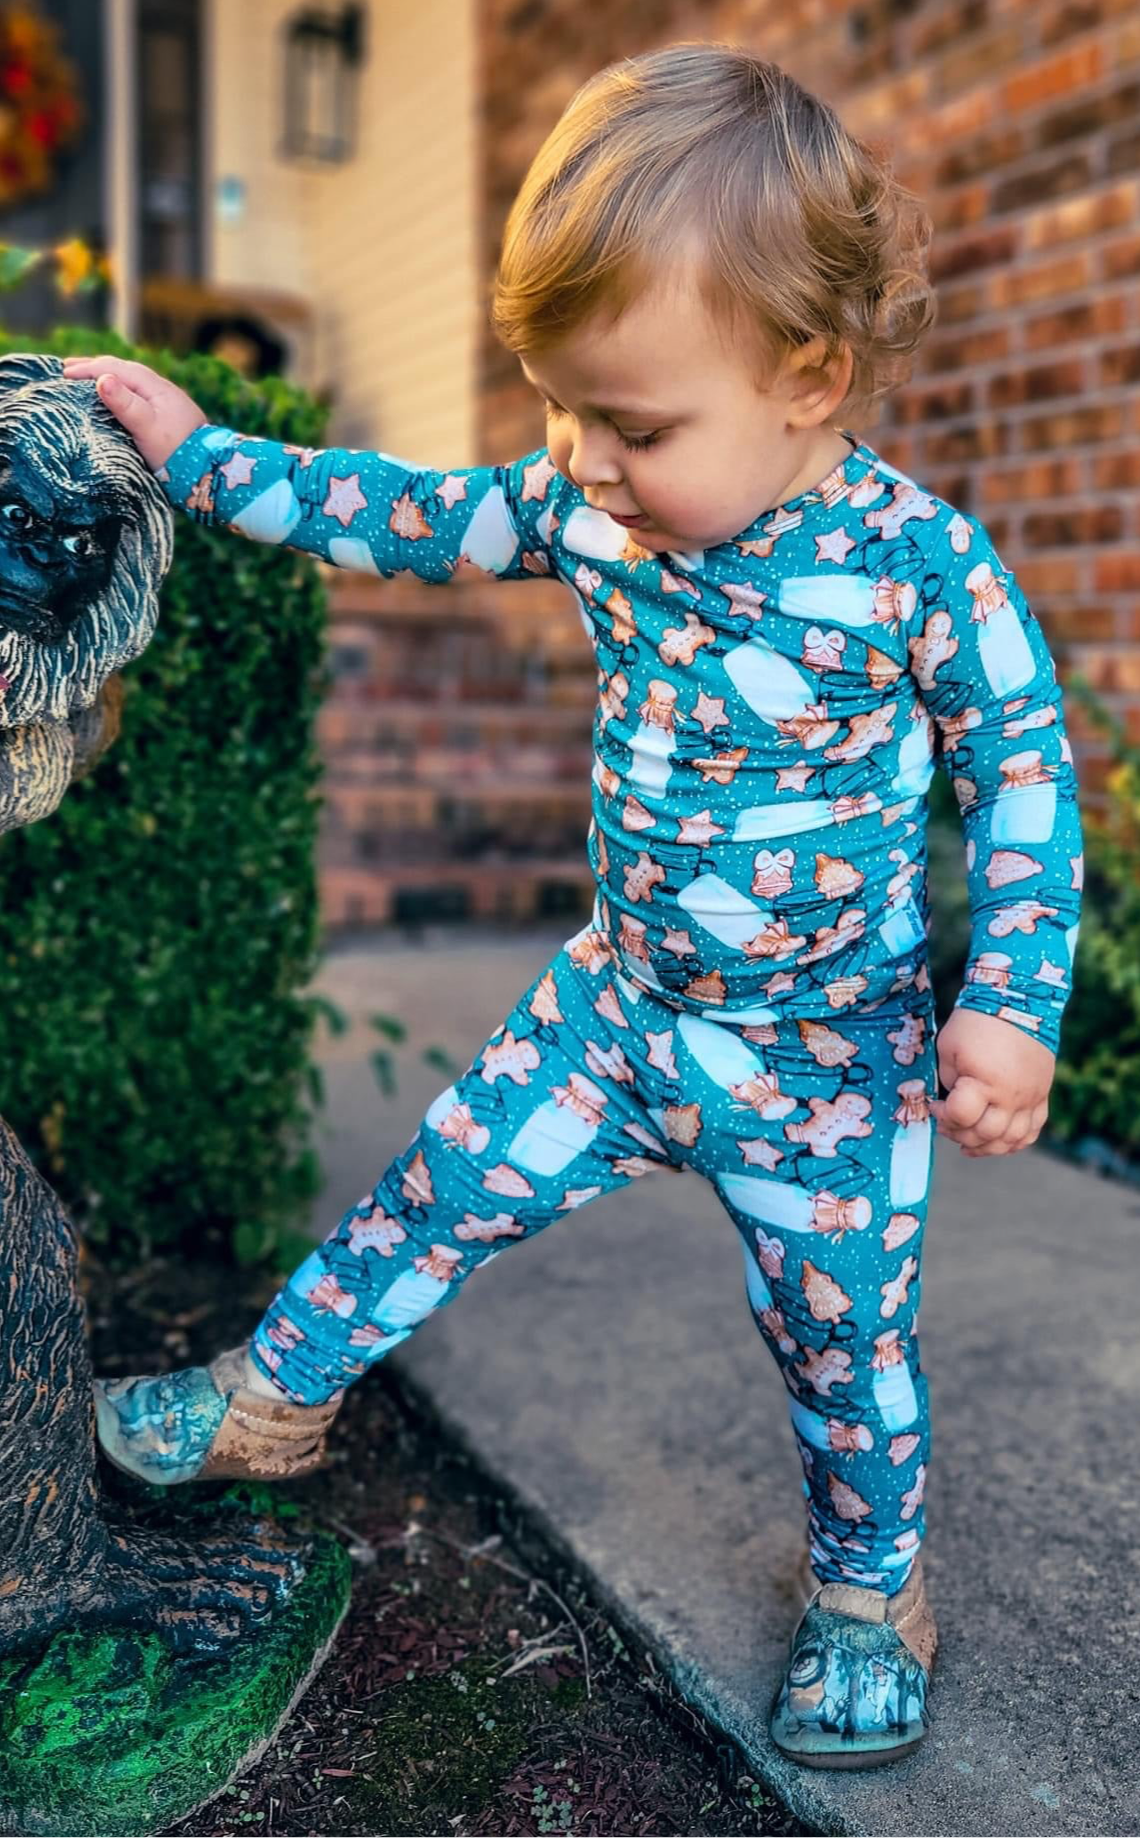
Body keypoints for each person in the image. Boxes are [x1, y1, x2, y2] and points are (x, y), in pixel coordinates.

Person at [67, 40, 1083, 1771]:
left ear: (810, 375)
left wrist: (1010, 1000)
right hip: (615, 1015)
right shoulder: (590, 514)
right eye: (558, 405)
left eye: (634, 422)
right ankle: (271, 1397)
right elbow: (395, 512)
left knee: (845, 1349)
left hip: (824, 1061)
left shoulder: (922, 566)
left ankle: (867, 1591)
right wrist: (202, 453)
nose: (584, 460)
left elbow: (1025, 781)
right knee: (430, 1193)